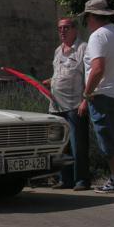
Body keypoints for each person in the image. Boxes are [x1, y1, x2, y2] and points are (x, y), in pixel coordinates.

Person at [77, 0, 114, 193]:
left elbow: (98, 69)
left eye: (86, 18)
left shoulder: (98, 36)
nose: (87, 23)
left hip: (104, 94)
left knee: (108, 139)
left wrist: (87, 94)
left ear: (92, 17)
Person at [42, 17, 90, 191]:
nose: (62, 31)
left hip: (74, 104)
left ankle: (82, 180)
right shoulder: (57, 51)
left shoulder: (83, 48)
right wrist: (50, 81)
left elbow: (88, 75)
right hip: (56, 106)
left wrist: (86, 99)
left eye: (66, 28)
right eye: (59, 28)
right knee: (61, 145)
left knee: (78, 145)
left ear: (75, 29)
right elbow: (59, 73)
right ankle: (65, 178)